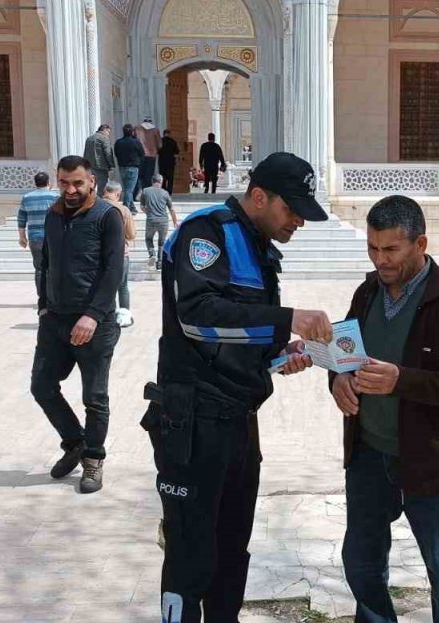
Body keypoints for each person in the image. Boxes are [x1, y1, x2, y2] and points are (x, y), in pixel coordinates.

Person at [144, 152, 335, 623]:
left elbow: (239, 335)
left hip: (238, 422)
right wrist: (285, 319)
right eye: (291, 210)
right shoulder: (206, 233)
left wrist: (278, 354)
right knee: (191, 554)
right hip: (193, 424)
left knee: (232, 551)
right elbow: (197, 319)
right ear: (258, 196)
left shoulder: (260, 247)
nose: (298, 222)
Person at [330, 195, 439, 623]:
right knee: (360, 564)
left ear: (421, 244)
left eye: (391, 250)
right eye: (373, 249)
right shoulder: (365, 294)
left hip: (433, 467)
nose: (381, 260)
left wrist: (402, 380)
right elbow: (345, 356)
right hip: (368, 459)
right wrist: (338, 380)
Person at [32, 155, 126, 494]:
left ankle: (93, 458)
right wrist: (44, 306)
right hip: (55, 320)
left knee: (94, 396)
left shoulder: (107, 216)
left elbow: (114, 270)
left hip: (93, 323)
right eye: (64, 183)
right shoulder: (53, 215)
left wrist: (93, 314)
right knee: (41, 387)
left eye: (77, 183)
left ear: (92, 183)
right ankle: (75, 441)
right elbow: (45, 263)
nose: (70, 190)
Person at [101, 181, 138, 328]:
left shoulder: (94, 207)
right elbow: (131, 234)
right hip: (120, 254)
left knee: (103, 286)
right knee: (122, 287)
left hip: (98, 254)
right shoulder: (123, 210)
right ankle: (124, 317)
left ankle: (105, 316)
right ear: (117, 194)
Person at [17, 172, 57, 297]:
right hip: (53, 238)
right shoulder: (55, 197)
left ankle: (42, 298)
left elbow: (21, 218)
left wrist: (22, 237)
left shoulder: (27, 197)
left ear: (35, 183)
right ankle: (53, 297)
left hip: (35, 238)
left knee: (39, 269)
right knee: (53, 268)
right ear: (48, 182)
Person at [140, 174, 177, 270]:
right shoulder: (165, 193)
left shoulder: (145, 191)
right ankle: (159, 263)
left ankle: (152, 254)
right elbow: (171, 209)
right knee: (161, 243)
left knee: (148, 239)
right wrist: (175, 222)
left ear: (152, 181)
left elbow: (142, 207)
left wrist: (148, 213)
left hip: (151, 220)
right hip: (163, 221)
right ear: (161, 182)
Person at [114, 124, 146, 211]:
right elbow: (142, 154)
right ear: (132, 132)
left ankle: (132, 206)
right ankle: (126, 207)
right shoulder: (135, 142)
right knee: (129, 189)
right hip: (133, 168)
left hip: (122, 167)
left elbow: (116, 154)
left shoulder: (118, 142)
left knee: (127, 188)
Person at [83, 125, 118, 190]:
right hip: (101, 167)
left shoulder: (89, 138)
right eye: (108, 132)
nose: (108, 134)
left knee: (91, 185)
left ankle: (90, 199)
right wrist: (111, 165)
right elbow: (108, 153)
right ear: (104, 130)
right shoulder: (104, 138)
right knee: (102, 187)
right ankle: (99, 200)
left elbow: (85, 152)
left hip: (89, 166)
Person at [137, 118, 162, 190]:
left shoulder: (137, 128)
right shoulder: (155, 130)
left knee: (140, 174)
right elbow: (160, 144)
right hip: (151, 155)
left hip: (140, 155)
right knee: (149, 174)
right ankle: (147, 190)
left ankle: (140, 190)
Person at [160, 129, 181, 194]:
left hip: (162, 162)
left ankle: (163, 190)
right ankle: (169, 191)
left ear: (163, 134)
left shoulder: (160, 141)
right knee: (170, 177)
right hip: (170, 162)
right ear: (169, 134)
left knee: (163, 177)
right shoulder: (173, 141)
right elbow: (177, 151)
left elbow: (157, 150)